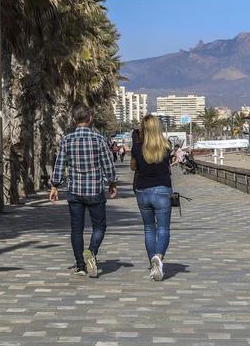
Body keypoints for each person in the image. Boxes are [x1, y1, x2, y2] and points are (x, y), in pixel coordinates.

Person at [49, 105, 118, 278]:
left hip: (74, 191)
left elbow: (60, 164)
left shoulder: (67, 139)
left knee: (76, 229)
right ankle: (91, 252)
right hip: (95, 190)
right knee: (100, 226)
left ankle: (80, 265)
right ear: (91, 119)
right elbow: (107, 164)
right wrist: (111, 182)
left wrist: (54, 185)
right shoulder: (99, 139)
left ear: (74, 120)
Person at [132, 115, 173, 281]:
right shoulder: (166, 145)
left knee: (149, 228)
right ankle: (158, 258)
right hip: (162, 189)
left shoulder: (136, 147)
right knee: (163, 229)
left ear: (143, 128)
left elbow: (133, 167)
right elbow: (167, 166)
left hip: (142, 191)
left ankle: (153, 263)